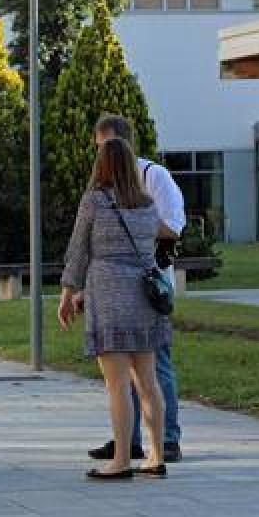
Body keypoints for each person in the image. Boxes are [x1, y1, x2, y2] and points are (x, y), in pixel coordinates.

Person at [59, 137, 172, 480]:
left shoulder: (95, 201)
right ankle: (156, 455)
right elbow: (156, 243)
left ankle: (121, 460)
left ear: (102, 165)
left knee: (118, 384)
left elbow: (78, 250)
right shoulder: (147, 205)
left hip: (108, 294)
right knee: (148, 382)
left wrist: (68, 293)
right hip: (143, 295)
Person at [85, 115, 187, 464]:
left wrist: (128, 222)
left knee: (154, 367)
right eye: (99, 148)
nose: (102, 155)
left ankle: (167, 440)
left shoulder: (153, 177)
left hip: (147, 284)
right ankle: (127, 441)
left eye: (108, 147)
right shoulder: (102, 193)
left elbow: (173, 226)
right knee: (121, 371)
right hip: (115, 289)